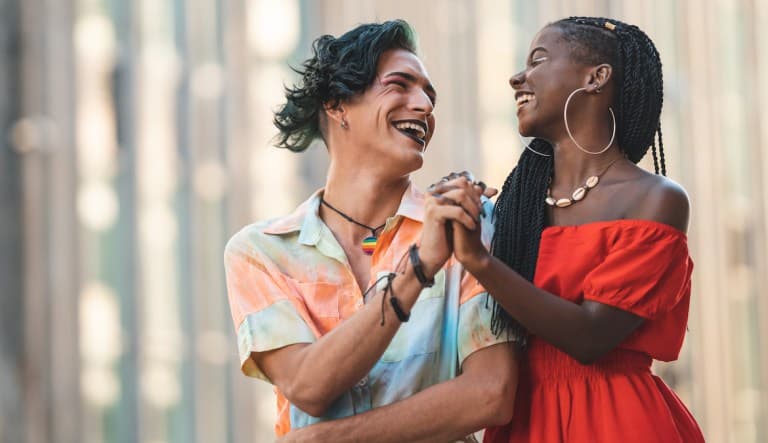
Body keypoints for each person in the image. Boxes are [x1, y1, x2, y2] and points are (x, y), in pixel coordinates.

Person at [223, 20, 518, 442]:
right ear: (337, 104)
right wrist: (417, 271)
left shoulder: (470, 224)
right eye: (400, 85)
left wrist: (333, 439)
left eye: (429, 95)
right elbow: (309, 387)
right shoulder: (261, 252)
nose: (424, 105)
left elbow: (492, 394)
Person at [429, 17, 705, 442]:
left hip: (616, 421)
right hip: (523, 419)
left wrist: (480, 262)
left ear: (596, 78)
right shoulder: (513, 208)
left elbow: (590, 337)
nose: (516, 77)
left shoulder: (656, 199)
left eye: (538, 60)